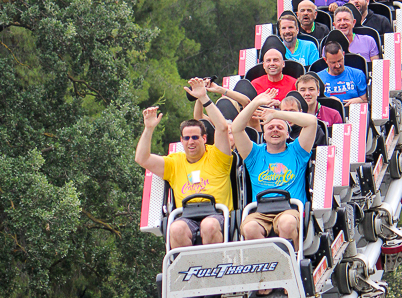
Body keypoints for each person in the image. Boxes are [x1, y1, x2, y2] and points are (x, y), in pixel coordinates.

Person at [135, 78, 232, 249]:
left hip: (216, 214)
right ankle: (188, 270)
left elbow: (223, 127)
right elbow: (142, 159)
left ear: (204, 139)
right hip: (187, 215)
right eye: (186, 138)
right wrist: (149, 129)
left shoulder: (217, 155)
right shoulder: (175, 162)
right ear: (181, 140)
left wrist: (204, 98)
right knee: (176, 228)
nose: (191, 142)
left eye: (195, 137)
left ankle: (214, 268)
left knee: (208, 226)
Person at [232, 89, 317, 248]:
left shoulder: (297, 151)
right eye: (270, 128)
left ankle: (290, 266)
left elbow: (312, 122)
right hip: (260, 211)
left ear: (287, 133)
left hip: (289, 209)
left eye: (279, 127)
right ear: (263, 134)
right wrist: (255, 103)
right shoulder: (254, 154)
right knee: (249, 228)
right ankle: (263, 268)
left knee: (286, 223)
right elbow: (236, 128)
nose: (275, 130)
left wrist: (277, 115)